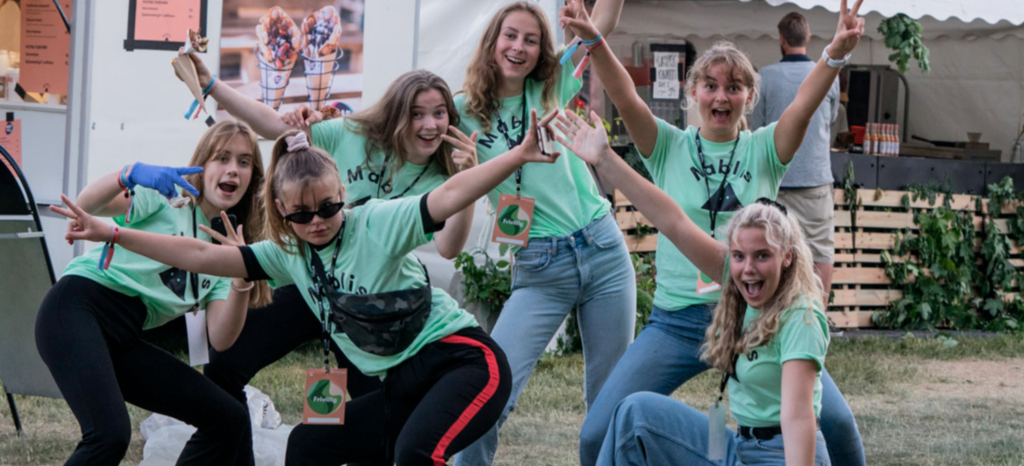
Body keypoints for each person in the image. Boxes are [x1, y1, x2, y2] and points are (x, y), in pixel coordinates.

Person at [49, 111, 558, 465]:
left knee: (415, 455)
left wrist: (516, 156)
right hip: (400, 383)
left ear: (343, 196)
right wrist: (112, 227)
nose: (317, 222)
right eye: (300, 213)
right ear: (281, 213)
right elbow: (201, 255)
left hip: (463, 362)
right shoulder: (280, 252)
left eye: (329, 208)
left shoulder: (377, 223)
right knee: (309, 447)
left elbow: (448, 195)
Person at [559, 0, 866, 464]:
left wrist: (836, 53)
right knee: (597, 433)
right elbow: (625, 96)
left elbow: (803, 106)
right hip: (680, 321)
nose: (721, 97)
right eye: (710, 86)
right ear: (693, 92)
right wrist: (596, 42)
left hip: (759, 318)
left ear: (749, 96)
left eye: (734, 87)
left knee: (838, 422)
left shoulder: (765, 148)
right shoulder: (668, 146)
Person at [174, 54, 479, 465]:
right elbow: (273, 127)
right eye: (417, 113)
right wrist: (211, 85)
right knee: (224, 362)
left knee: (379, 414)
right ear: (395, 115)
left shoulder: (443, 176)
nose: (430, 124)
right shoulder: (353, 133)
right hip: (310, 282)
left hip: (373, 304)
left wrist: (465, 183)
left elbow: (449, 248)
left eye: (440, 114)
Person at [555, 108, 832, 465]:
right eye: (739, 256)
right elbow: (672, 221)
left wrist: (834, 57)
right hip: (740, 447)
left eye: (763, 256)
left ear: (788, 257)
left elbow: (797, 418)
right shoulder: (739, 291)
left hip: (778, 457)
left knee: (836, 418)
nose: (749, 269)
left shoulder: (802, 316)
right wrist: (605, 160)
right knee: (634, 412)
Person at [451, 2, 635, 464]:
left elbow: (604, 23)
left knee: (609, 406)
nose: (519, 48)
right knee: (487, 398)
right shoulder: (459, 111)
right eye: (510, 36)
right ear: (492, 40)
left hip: (602, 250)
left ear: (541, 51)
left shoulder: (552, 83)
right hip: (540, 266)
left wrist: (587, 19)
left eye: (531, 40)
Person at [35, 120, 269, 465]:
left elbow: (220, 338)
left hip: (123, 335)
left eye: (244, 161)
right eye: (223, 158)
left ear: (253, 177)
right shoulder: (167, 200)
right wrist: (129, 173)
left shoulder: (225, 247)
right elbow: (85, 205)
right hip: (76, 309)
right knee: (109, 436)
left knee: (229, 418)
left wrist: (241, 275)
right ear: (202, 165)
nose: (233, 169)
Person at [750, 11, 841, 302]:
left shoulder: (764, 77)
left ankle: (773, 315)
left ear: (781, 40)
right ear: (808, 38)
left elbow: (756, 129)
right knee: (821, 249)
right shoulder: (826, 75)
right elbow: (831, 119)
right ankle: (819, 315)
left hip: (774, 180)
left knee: (770, 251)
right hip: (815, 179)